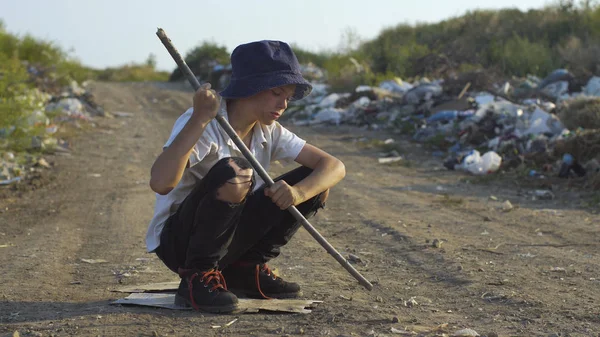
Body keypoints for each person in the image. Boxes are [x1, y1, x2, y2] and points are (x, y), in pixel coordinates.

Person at [146, 40, 346, 314]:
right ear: (250, 88)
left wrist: (298, 194)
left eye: (288, 96)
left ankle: (245, 269)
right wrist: (200, 119)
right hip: (180, 243)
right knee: (236, 172)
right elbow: (160, 182)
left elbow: (334, 166)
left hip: (228, 242)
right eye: (277, 93)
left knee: (316, 182)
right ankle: (197, 278)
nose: (284, 104)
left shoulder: (270, 130)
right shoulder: (204, 122)